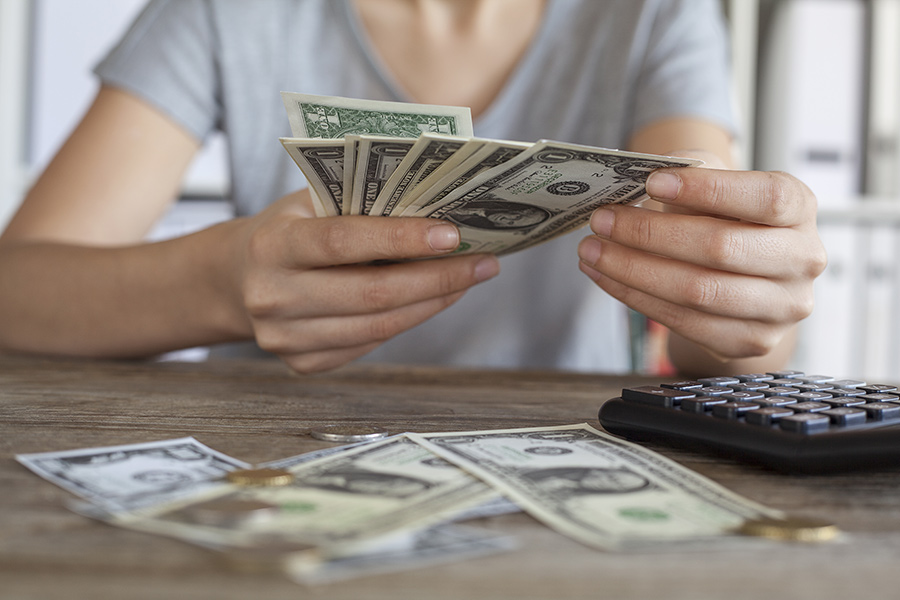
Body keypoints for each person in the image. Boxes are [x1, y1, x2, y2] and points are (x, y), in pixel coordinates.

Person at [0, 0, 825, 377]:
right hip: (272, 463)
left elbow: (704, 336)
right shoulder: (225, 12)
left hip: (565, 462)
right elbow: (18, 292)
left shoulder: (652, 14)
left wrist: (744, 313)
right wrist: (220, 280)